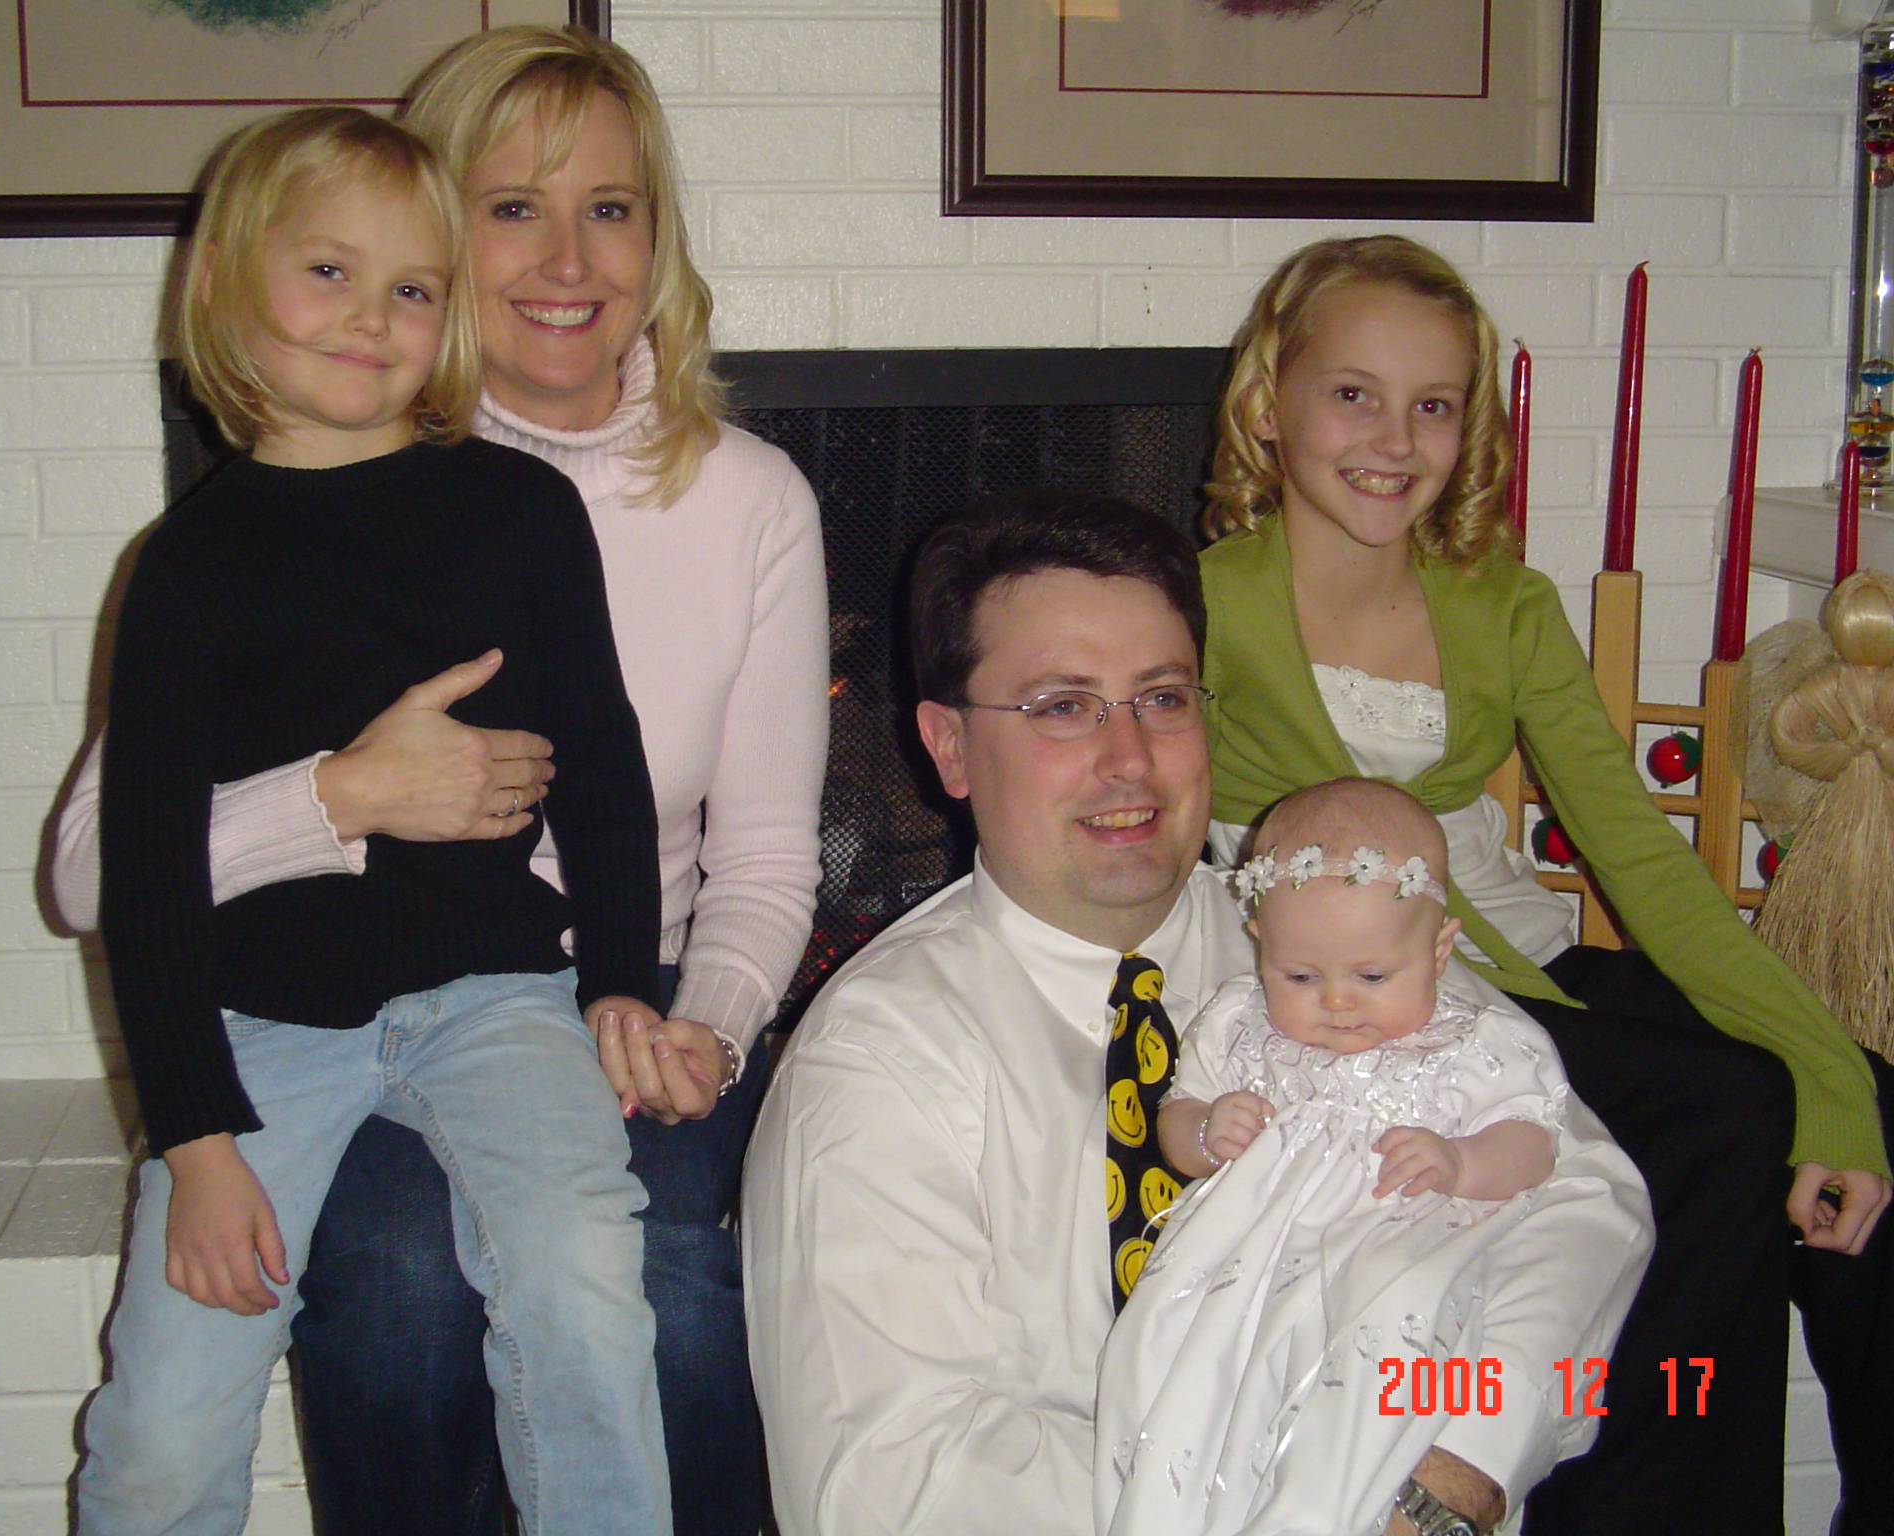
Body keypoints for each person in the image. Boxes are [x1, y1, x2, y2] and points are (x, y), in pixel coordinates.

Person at [53, 27, 826, 1535]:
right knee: (350, 1311)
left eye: (610, 207)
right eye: (514, 205)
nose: (568, 256)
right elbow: (108, 872)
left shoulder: (695, 503)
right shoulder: (212, 550)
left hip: (551, 1000)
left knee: (640, 1278)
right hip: (279, 1016)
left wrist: (671, 1011)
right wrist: (342, 796)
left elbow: (729, 837)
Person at [742, 489, 1651, 1536]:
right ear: (949, 747)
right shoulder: (878, 1058)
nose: (1129, 758)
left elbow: (1588, 1196)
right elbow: (892, 1483)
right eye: (1063, 706)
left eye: (1163, 698)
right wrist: (1283, 1508)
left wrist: (1456, 1474)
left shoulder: (1322, 939)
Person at [1196, 232, 1894, 1533]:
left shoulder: (1502, 605)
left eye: (1433, 404)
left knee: (1856, 1105)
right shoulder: (1205, 607)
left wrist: (1833, 1073)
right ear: (1269, 403)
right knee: (1722, 1111)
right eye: (1352, 393)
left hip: (1529, 964)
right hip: (1379, 1003)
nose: (1393, 439)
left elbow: (1639, 858)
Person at [1096, 777, 1641, 1536]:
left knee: (1372, 1399)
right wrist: (1206, 1129)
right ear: (1259, 942)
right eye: (1300, 976)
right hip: (1240, 1282)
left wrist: (1462, 1161)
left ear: (1439, 948)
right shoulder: (1238, 1022)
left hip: (1396, 1272)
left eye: (1372, 977)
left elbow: (1535, 1143)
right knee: (1184, 1388)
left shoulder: (1477, 1044)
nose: (1338, 1001)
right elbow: (1176, 1124)